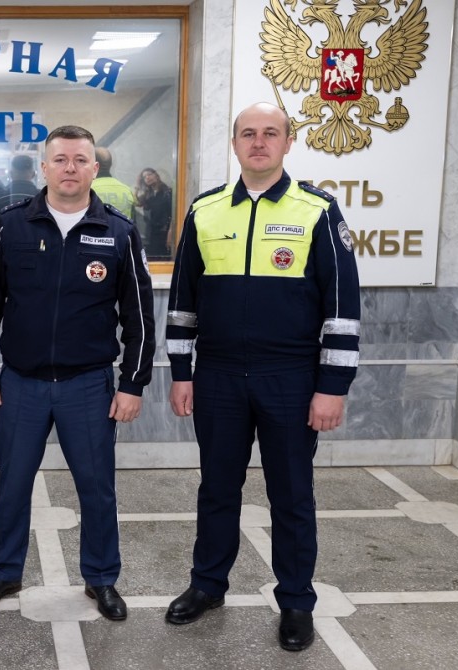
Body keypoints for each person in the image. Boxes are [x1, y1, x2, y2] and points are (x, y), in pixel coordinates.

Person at [164, 102, 360, 652]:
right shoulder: (204, 211)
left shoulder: (318, 211)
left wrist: (332, 387)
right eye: (248, 133)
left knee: (292, 494)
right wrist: (182, 372)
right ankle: (207, 585)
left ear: (288, 142)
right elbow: (182, 302)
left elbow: (342, 307)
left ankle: (296, 601)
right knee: (217, 488)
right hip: (218, 377)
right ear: (234, 144)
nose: (258, 142)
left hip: (290, 378)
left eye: (270, 133)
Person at [0, 125, 155, 621]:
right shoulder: (11, 225)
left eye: (80, 160)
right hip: (21, 384)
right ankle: (4, 572)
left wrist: (132, 383)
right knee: (13, 485)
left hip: (88, 386)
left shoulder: (118, 231)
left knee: (97, 487)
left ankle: (102, 577)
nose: (70, 168)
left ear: (95, 168)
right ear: (44, 167)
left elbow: (139, 315)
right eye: (61, 160)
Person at [135, 167, 173, 259]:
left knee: (162, 257)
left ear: (156, 175)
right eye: (144, 177)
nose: (147, 178)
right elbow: (137, 203)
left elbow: (172, 214)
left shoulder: (167, 192)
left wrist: (170, 233)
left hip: (163, 233)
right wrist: (138, 187)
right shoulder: (149, 194)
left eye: (149, 174)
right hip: (151, 233)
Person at [91, 147, 136, 219]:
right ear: (111, 164)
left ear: (93, 164)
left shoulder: (86, 190)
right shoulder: (127, 190)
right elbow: (133, 220)